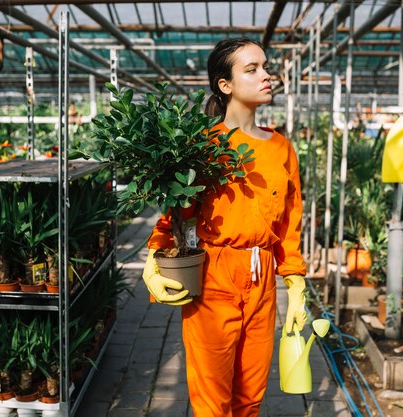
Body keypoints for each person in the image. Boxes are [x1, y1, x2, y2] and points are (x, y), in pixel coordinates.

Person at [142, 37, 307, 417]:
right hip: (214, 274)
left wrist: (294, 282)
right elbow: (175, 211)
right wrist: (154, 257)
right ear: (225, 85)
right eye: (252, 70)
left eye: (265, 67)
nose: (266, 76)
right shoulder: (202, 145)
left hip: (262, 276)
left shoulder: (281, 147)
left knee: (250, 397)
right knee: (212, 400)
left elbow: (290, 221)